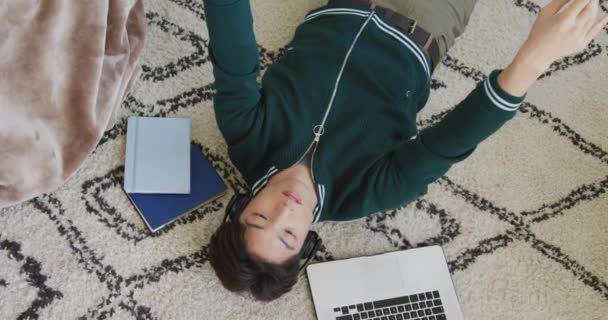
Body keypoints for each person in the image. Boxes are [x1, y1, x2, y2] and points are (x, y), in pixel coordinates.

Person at [203, 0, 607, 301]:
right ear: (307, 242)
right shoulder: (367, 192)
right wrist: (535, 56)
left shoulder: (245, 131)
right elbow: (448, 143)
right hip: (425, 20)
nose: (285, 210)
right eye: (289, 234)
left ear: (241, 205)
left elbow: (231, 41)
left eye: (260, 217)